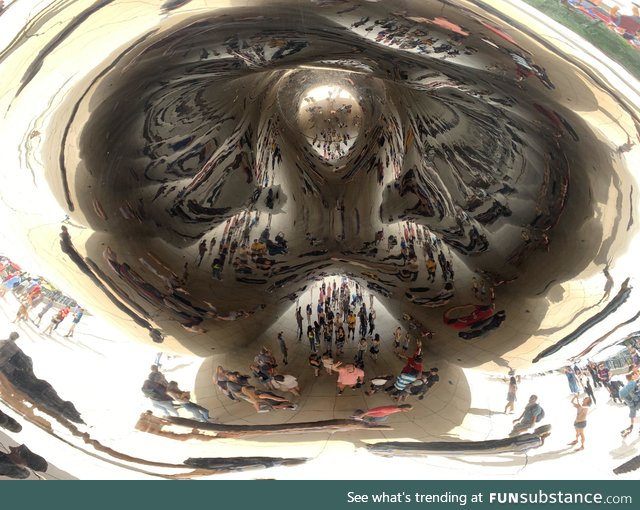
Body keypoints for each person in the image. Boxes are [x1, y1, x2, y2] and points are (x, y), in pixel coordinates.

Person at [619, 371, 640, 437]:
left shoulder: (624, 388)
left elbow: (621, 397)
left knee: (632, 415)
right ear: (632, 376)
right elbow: (637, 392)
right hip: (637, 401)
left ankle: (631, 425)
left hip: (631, 404)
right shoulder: (634, 383)